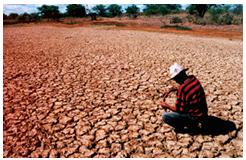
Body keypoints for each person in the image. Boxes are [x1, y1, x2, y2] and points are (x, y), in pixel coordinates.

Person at [160, 63, 208, 132]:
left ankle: (188, 127)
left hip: (195, 117)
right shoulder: (194, 79)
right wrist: (173, 89)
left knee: (165, 116)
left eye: (175, 78)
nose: (175, 81)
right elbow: (189, 89)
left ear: (178, 77)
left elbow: (179, 110)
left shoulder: (183, 89)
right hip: (203, 114)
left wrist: (166, 106)